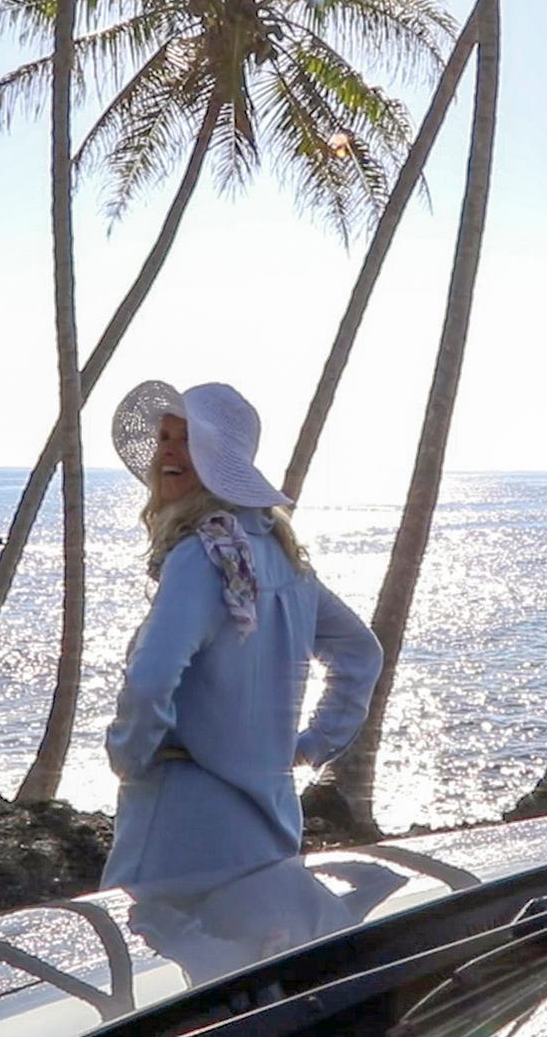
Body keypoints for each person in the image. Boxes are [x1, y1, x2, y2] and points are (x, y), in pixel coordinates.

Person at [101, 380, 383, 894]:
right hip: (269, 820)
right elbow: (360, 654)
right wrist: (312, 744)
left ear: (216, 458)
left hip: (180, 822)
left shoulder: (199, 555)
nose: (166, 448)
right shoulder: (282, 556)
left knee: (153, 965)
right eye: (164, 436)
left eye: (185, 438)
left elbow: (150, 679)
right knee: (253, 967)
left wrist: (130, 757)